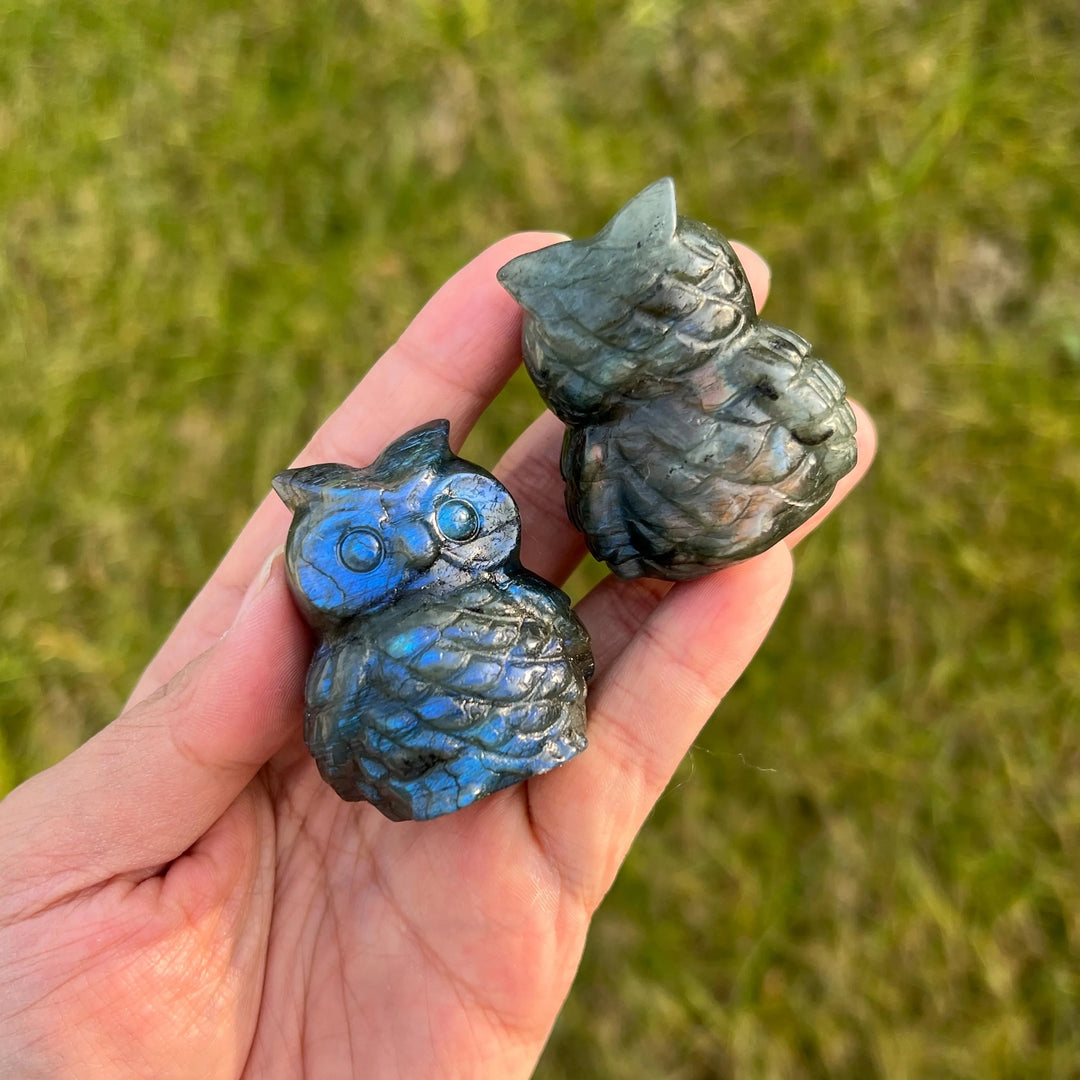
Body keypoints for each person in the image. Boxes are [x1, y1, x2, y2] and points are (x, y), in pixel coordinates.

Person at [0, 232, 874, 1078]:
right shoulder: (350, 665)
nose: (422, 556)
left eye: (452, 519)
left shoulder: (550, 550)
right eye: (360, 552)